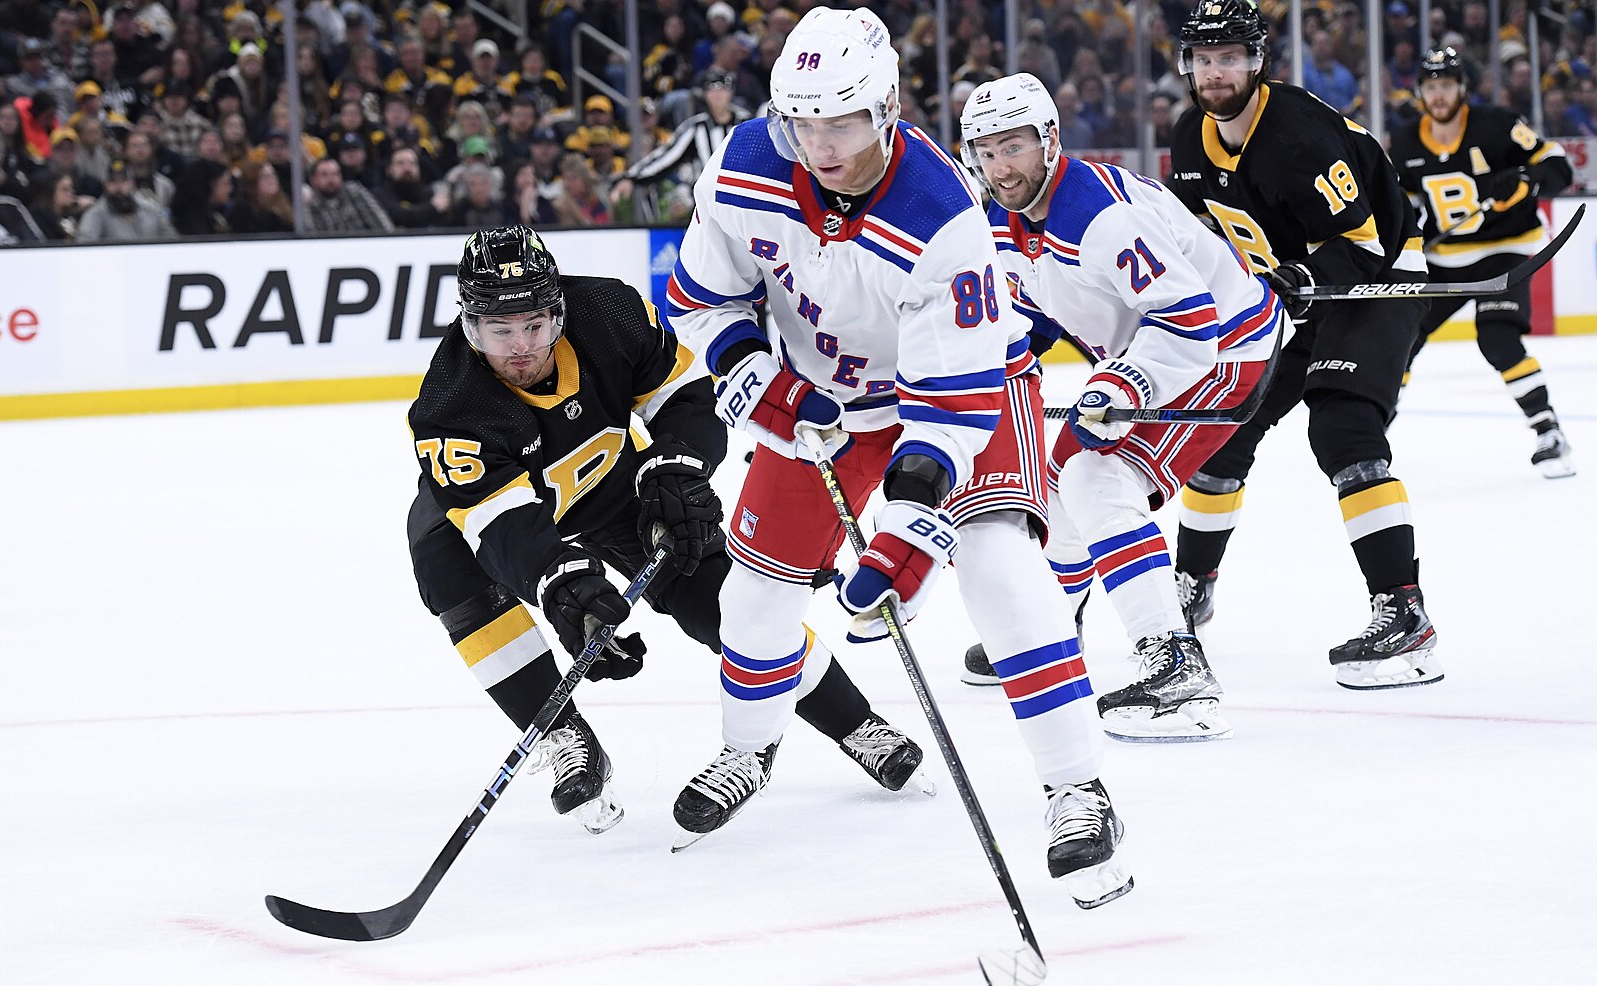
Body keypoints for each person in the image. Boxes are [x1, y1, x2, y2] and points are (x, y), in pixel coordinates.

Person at [667, 7, 1130, 906]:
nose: (820, 147)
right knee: (752, 593)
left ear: (886, 109)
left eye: (841, 123)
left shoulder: (940, 212)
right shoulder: (743, 166)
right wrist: (758, 377)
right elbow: (700, 299)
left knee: (996, 563)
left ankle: (1078, 788)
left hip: (961, 392)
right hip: (822, 400)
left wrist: (913, 525)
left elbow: (950, 401)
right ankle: (747, 750)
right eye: (802, 123)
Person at [406, 226, 928, 833]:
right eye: (501, 330)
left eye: (535, 325)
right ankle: (561, 732)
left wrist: (677, 465)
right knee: (445, 567)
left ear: (559, 312)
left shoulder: (607, 312)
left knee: (720, 602)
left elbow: (687, 397)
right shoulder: (450, 405)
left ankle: (857, 723)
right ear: (470, 326)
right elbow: (503, 524)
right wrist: (562, 585)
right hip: (496, 519)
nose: (521, 347)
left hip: (610, 487)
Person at [956, 73, 1285, 742]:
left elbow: (1189, 321)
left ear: (1050, 139)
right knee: (1057, 480)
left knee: (1096, 477)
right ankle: (1052, 627)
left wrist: (1123, 384)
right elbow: (1030, 313)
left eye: (1013, 147)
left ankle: (1174, 661)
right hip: (1153, 344)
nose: (1000, 167)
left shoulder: (1099, 214)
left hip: (1226, 348)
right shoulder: (1000, 219)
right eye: (986, 152)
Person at [1166, 0, 1442, 691]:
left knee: (1343, 428)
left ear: (1257, 61)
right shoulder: (1190, 136)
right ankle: (1189, 591)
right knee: (1221, 429)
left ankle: (1404, 613)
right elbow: (1192, 238)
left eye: (1231, 57)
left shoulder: (1297, 132)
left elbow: (1361, 245)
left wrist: (1295, 278)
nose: (1216, 72)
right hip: (1296, 295)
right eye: (1205, 59)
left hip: (1375, 279)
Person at [1390, 47, 1576, 478]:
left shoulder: (1497, 125)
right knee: (1398, 337)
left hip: (1504, 250)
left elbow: (1557, 166)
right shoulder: (1405, 140)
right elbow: (1403, 205)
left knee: (1497, 338)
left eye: (1446, 85)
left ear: (1462, 88)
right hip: (1443, 258)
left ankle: (1548, 430)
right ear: (1420, 92)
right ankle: (1372, 424)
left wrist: (1526, 179)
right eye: (1430, 87)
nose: (1438, 95)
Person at [612, 67, 748, 222]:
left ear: (731, 92)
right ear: (705, 94)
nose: (717, 94)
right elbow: (666, 157)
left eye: (722, 88)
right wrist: (633, 177)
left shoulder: (747, 124)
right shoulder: (696, 127)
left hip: (744, 205)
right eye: (712, 88)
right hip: (706, 209)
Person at [76, 157, 177, 241]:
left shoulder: (151, 210)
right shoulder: (95, 214)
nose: (119, 187)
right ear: (105, 185)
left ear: (132, 183)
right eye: (113, 181)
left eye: (123, 180)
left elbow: (172, 240)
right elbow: (85, 246)